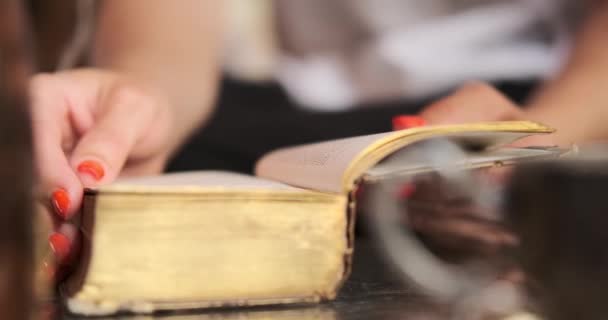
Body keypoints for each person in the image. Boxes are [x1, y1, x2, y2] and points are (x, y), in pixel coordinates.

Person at [33, 0, 608, 265]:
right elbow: (169, 34)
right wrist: (139, 98)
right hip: (299, 112)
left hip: (532, 94)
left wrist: (545, 144)